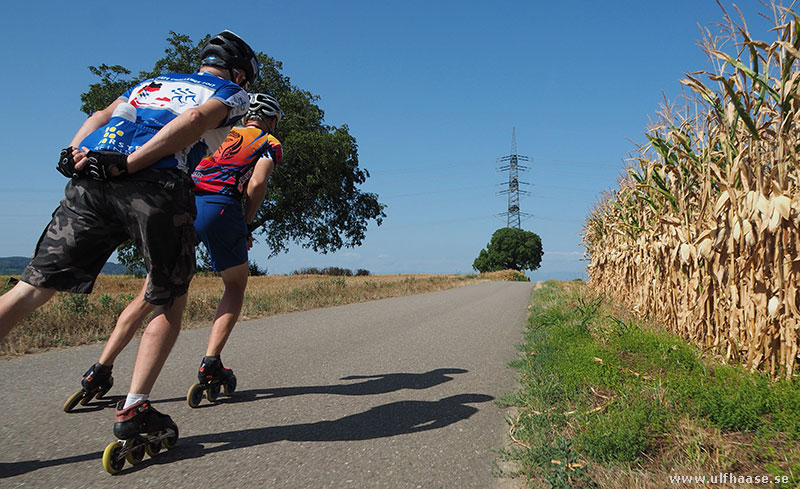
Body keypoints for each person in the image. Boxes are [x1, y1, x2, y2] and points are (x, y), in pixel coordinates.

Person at [0, 31, 258, 441]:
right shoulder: (231, 92)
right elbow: (193, 121)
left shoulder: (152, 82)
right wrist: (130, 164)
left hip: (90, 182)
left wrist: (74, 152)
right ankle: (135, 409)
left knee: (31, 289)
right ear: (240, 74)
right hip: (154, 187)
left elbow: (101, 116)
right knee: (168, 296)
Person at [68, 93, 283, 409]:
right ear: (271, 119)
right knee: (235, 284)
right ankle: (211, 363)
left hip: (181, 203)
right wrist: (246, 222)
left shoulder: (220, 132)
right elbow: (257, 184)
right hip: (220, 206)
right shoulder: (268, 141)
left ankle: (100, 368)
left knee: (152, 291)